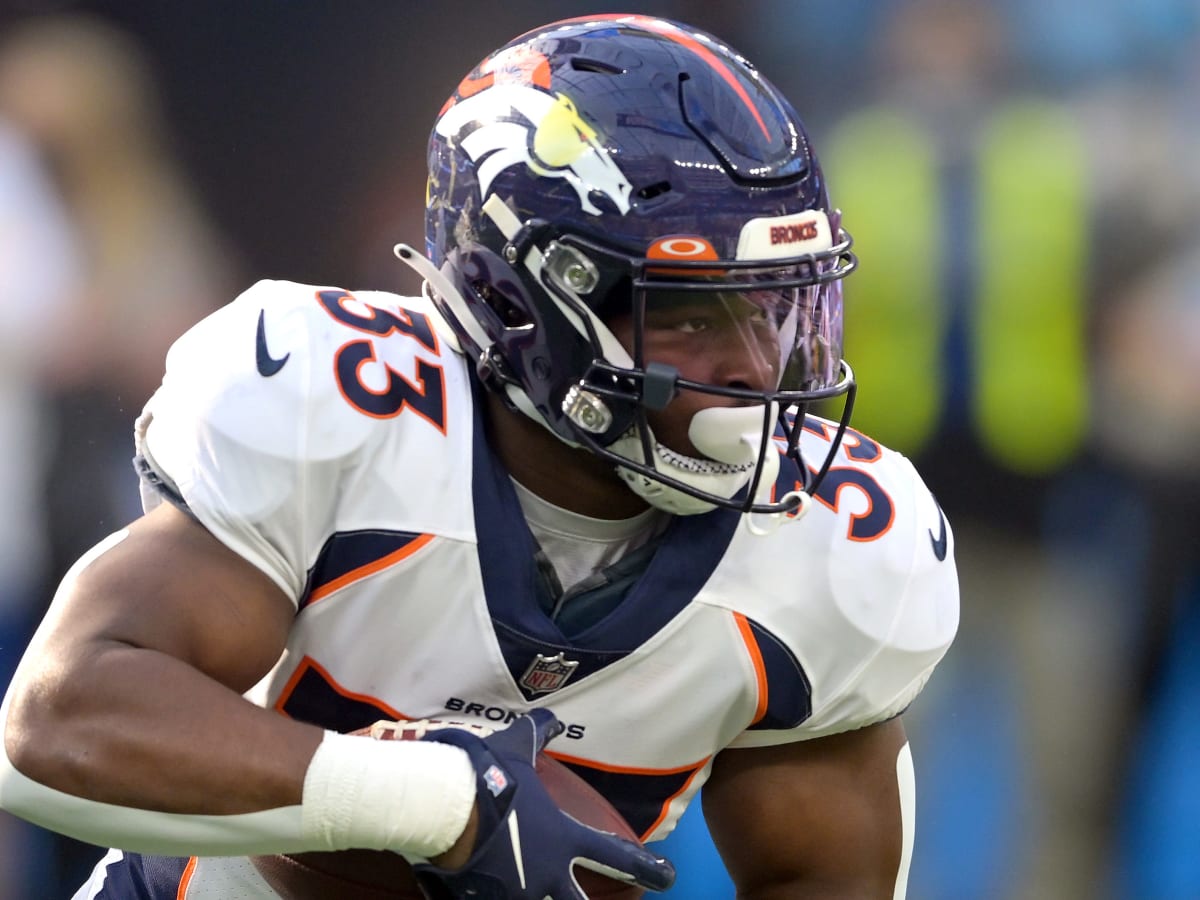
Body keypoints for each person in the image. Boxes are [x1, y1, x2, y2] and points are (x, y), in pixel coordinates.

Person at [0, 14, 959, 899]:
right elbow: (54, 725)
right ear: (520, 303)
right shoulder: (340, 407)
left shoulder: (842, 543)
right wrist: (438, 804)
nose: (757, 372)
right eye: (694, 314)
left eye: (779, 313)